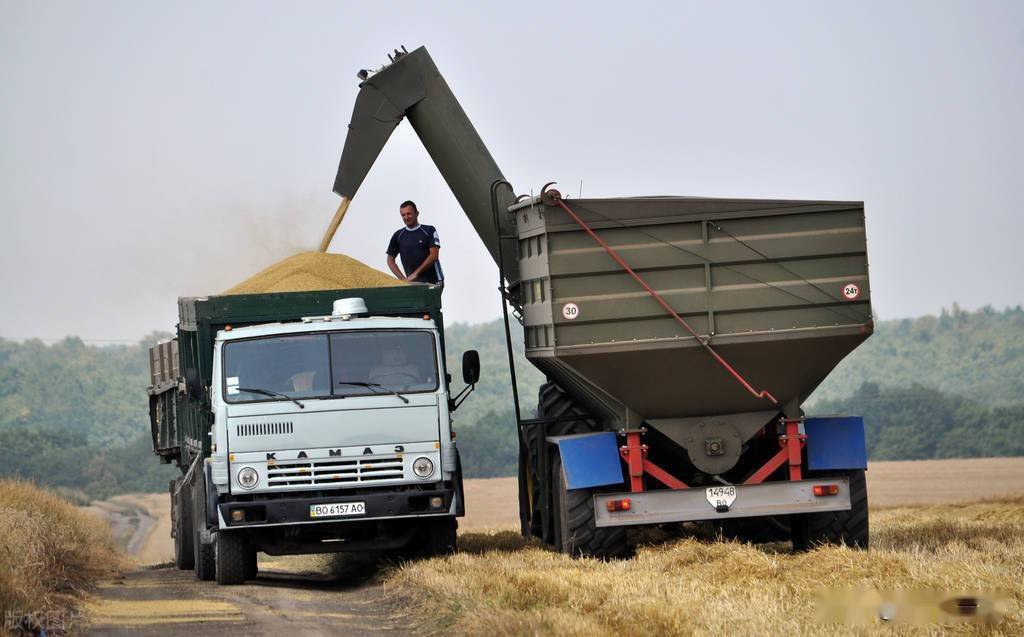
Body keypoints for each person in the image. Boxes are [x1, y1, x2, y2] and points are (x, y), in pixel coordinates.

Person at [385, 200, 444, 286]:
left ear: (417, 213)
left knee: (429, 300)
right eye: (403, 215)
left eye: (409, 214)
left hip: (434, 282)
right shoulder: (398, 235)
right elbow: (390, 260)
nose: (406, 217)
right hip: (412, 284)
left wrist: (416, 273)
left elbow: (434, 255)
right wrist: (402, 279)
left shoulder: (429, 230)